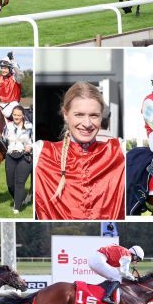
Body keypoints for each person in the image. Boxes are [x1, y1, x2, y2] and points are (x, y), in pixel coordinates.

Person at [35, 82, 125, 220]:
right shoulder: (41, 153)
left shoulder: (119, 151)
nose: (87, 123)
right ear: (65, 114)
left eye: (94, 115)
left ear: (102, 117)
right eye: (79, 115)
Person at [0, 105, 33, 214]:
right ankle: (20, 199)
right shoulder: (8, 126)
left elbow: (35, 141)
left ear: (23, 116)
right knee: (10, 184)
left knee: (20, 182)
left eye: (18, 115)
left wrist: (30, 147)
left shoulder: (30, 126)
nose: (16, 117)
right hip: (10, 156)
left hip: (25, 156)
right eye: (14, 115)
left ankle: (17, 207)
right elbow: (4, 138)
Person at [0, 52, 24, 120]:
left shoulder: (15, 78)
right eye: (2, 68)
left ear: (10, 69)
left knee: (11, 113)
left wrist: (12, 61)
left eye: (5, 68)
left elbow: (20, 74)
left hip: (13, 104)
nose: (3, 70)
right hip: (0, 104)